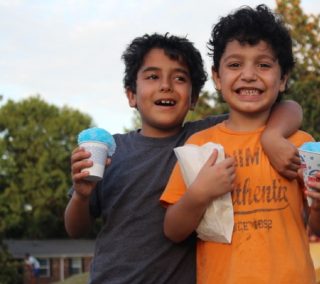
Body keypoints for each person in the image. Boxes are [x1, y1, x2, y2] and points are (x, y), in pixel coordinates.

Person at [64, 33, 304, 283]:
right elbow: (76, 229)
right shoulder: (113, 150)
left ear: (194, 98)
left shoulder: (206, 137)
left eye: (179, 78)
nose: (166, 85)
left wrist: (273, 135)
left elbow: (286, 106)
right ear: (131, 95)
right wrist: (82, 195)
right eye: (153, 76)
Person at [161, 5, 320, 283]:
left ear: (283, 79)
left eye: (264, 64)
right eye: (234, 64)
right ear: (218, 78)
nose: (248, 74)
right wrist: (199, 194)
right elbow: (172, 230)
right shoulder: (200, 146)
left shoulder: (301, 145)